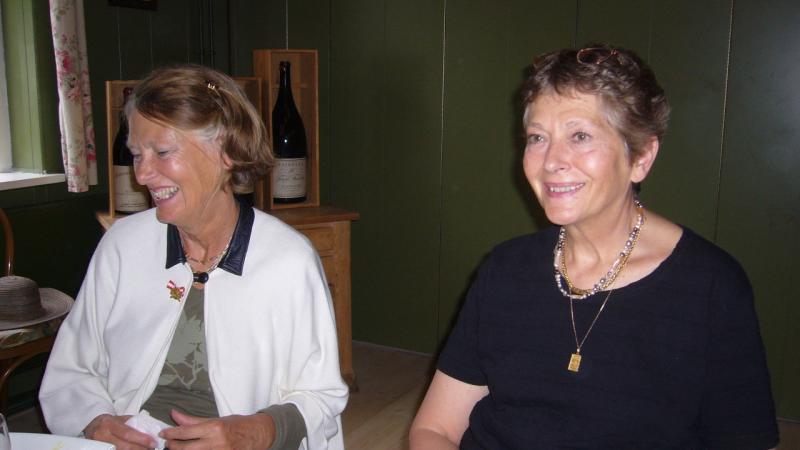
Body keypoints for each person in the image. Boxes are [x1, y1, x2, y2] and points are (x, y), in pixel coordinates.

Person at [409, 44, 779, 449]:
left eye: (580, 136)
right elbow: (435, 429)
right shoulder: (505, 268)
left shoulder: (711, 287)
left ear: (641, 157)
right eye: (537, 137)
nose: (552, 161)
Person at [40, 64, 348, 449]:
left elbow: (321, 397)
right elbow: (72, 370)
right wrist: (95, 421)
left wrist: (255, 431)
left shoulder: (288, 261)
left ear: (226, 152)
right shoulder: (123, 246)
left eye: (162, 152)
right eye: (136, 154)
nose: (142, 174)